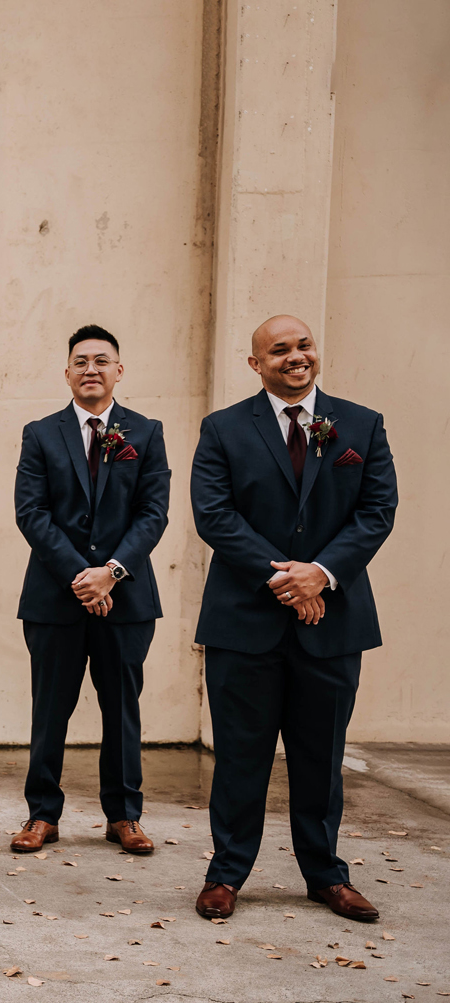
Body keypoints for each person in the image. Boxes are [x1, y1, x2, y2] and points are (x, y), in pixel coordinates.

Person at [191, 315, 396, 922]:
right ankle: (227, 874)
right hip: (243, 622)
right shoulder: (223, 428)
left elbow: (377, 510)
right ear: (256, 364)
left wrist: (322, 574)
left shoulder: (362, 425)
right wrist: (286, 577)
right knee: (240, 755)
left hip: (332, 623)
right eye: (278, 350)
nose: (295, 356)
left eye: (303, 345)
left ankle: (325, 876)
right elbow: (215, 515)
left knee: (320, 755)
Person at [10, 325, 170, 857]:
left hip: (126, 600)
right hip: (56, 598)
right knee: (49, 707)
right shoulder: (41, 433)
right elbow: (30, 513)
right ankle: (41, 814)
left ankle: (124, 815)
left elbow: (153, 513)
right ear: (68, 373)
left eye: (102, 360)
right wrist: (83, 576)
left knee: (122, 708)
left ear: (119, 371)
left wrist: (113, 572)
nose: (91, 369)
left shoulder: (145, 433)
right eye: (80, 361)